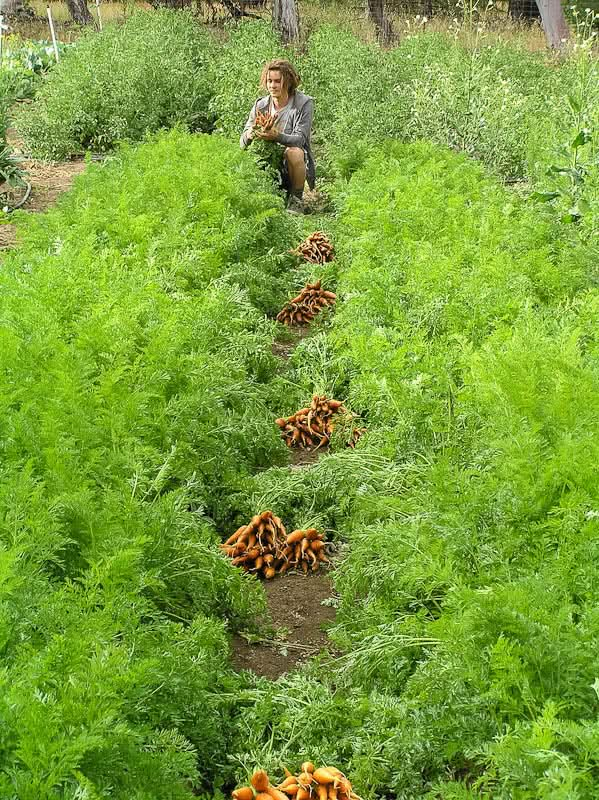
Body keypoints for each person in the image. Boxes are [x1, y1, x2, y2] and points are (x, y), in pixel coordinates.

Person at [240, 59, 315, 214]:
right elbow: (242, 142)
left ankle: (296, 199)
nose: (272, 86)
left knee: (294, 152)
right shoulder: (260, 105)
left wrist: (276, 136)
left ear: (287, 82)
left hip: (291, 167)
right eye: (269, 81)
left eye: (277, 81)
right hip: (267, 165)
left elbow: (300, 139)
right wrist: (251, 134)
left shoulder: (303, 103)